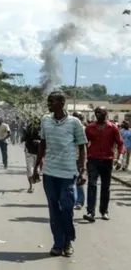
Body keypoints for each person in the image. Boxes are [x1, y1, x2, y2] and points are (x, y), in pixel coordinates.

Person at [33, 91, 87, 257]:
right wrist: (36, 167)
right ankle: (58, 243)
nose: (48, 104)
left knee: (66, 207)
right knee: (54, 209)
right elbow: (43, 143)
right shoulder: (45, 120)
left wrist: (82, 170)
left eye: (52, 101)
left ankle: (68, 240)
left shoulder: (75, 123)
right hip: (50, 173)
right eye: (48, 101)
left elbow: (82, 146)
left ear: (62, 102)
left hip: (68, 173)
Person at [82, 106, 124, 222]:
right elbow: (84, 144)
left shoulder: (113, 128)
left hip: (107, 160)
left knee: (105, 187)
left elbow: (120, 144)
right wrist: (84, 157)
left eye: (100, 112)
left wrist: (120, 158)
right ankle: (90, 212)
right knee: (92, 185)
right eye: (96, 112)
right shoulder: (89, 128)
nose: (97, 114)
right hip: (93, 160)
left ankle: (104, 211)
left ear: (105, 114)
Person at [21, 116, 41, 193]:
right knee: (30, 169)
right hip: (29, 151)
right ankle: (31, 186)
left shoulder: (42, 130)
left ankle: (35, 178)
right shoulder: (27, 129)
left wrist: (39, 142)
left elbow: (46, 141)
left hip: (38, 153)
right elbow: (23, 139)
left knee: (36, 170)